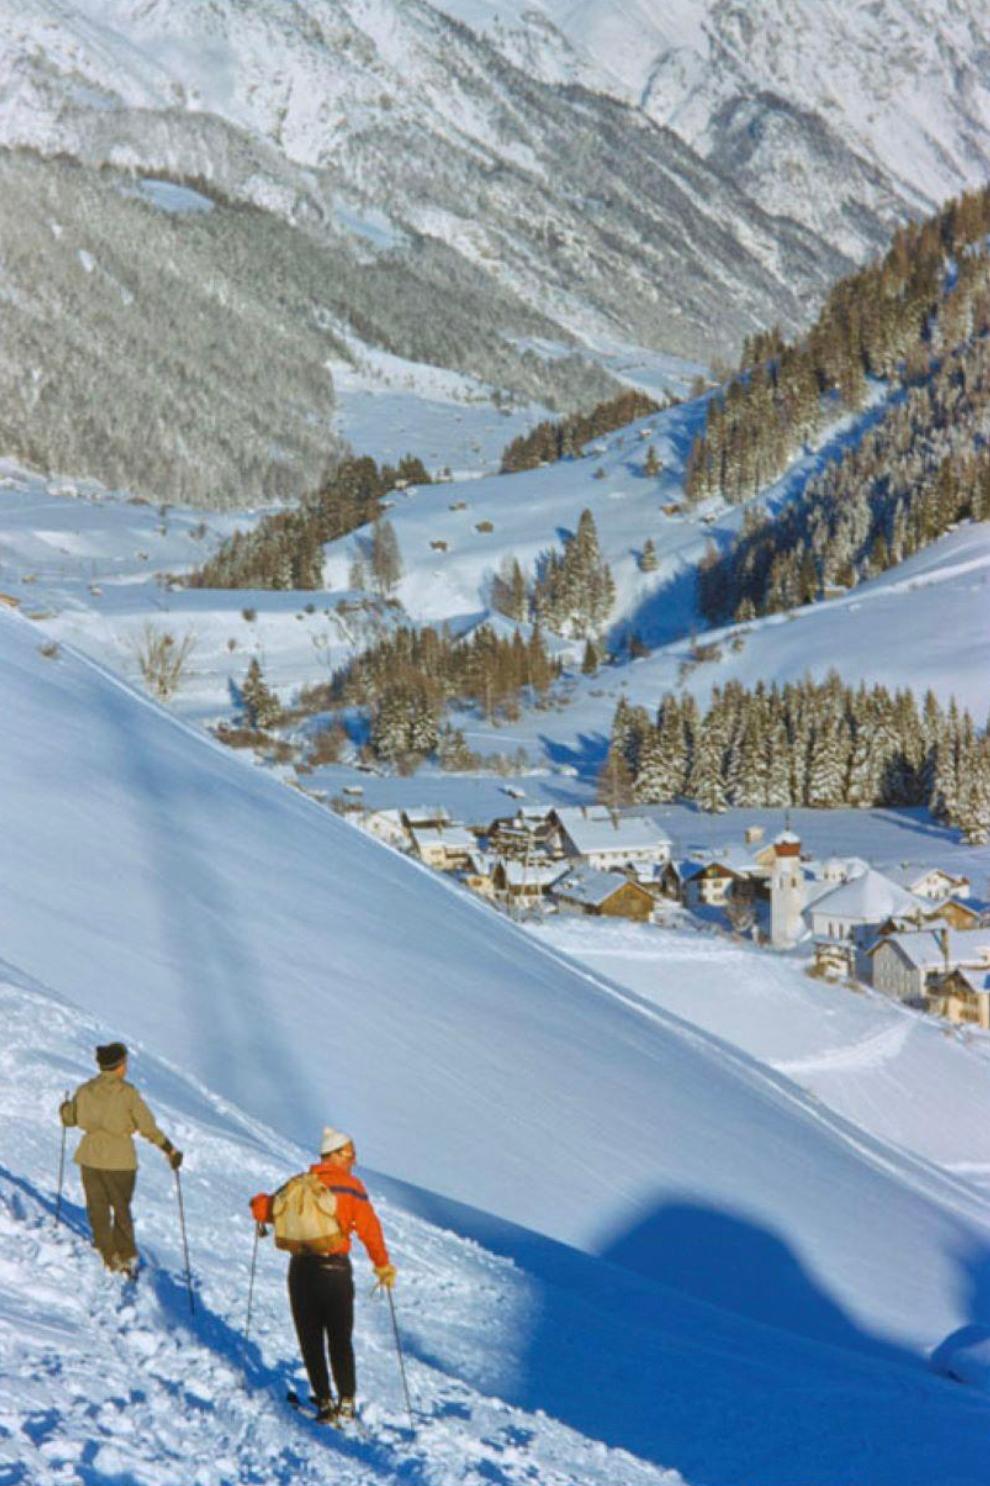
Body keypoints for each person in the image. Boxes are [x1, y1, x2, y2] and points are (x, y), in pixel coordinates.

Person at [250, 1126, 396, 1423]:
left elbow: (264, 1211)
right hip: (335, 1272)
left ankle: (325, 1403)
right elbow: (370, 1230)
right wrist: (382, 1265)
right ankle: (346, 1401)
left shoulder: (300, 1184)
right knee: (340, 1338)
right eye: (350, 1154)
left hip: (301, 1271)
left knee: (310, 1338)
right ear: (334, 1155)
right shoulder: (351, 1188)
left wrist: (257, 1202)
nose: (354, 1160)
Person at [60, 1041, 183, 1277]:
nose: (126, 1067)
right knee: (121, 1209)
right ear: (118, 1065)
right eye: (125, 1062)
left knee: (98, 1209)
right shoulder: (128, 1094)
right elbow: (148, 1127)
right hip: (120, 1161)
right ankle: (126, 1257)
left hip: (90, 1157)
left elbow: (69, 1119)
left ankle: (108, 1255)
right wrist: (170, 1150)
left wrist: (64, 1108)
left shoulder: (85, 1090)